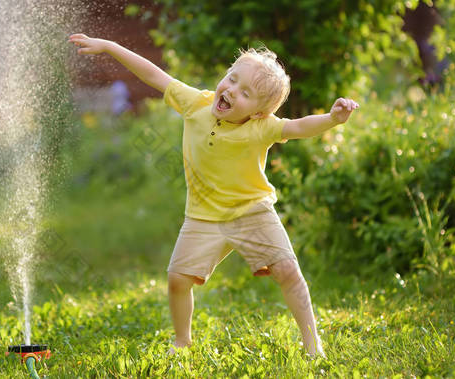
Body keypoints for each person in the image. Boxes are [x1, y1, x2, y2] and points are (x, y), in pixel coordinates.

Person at [68, 33, 359, 357]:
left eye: (245, 93)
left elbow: (298, 127)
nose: (231, 90)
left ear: (260, 112)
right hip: (204, 215)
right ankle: (182, 342)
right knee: (178, 279)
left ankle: (312, 344)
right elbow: (153, 75)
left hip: (252, 212)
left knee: (288, 272)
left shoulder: (261, 128)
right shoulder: (197, 104)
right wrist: (110, 46)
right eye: (231, 79)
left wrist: (333, 119)